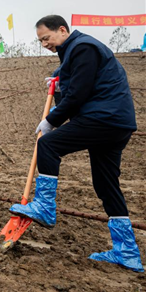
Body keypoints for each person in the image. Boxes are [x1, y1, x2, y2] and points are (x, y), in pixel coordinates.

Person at [9, 15, 143, 272]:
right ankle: (127, 252)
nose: (44, 44)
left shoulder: (83, 47)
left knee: (48, 145)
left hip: (104, 118)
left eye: (46, 38)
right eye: (40, 41)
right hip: (115, 123)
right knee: (105, 184)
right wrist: (58, 81)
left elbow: (79, 93)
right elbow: (75, 87)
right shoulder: (74, 52)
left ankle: (46, 207)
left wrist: (51, 121)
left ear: (62, 30)